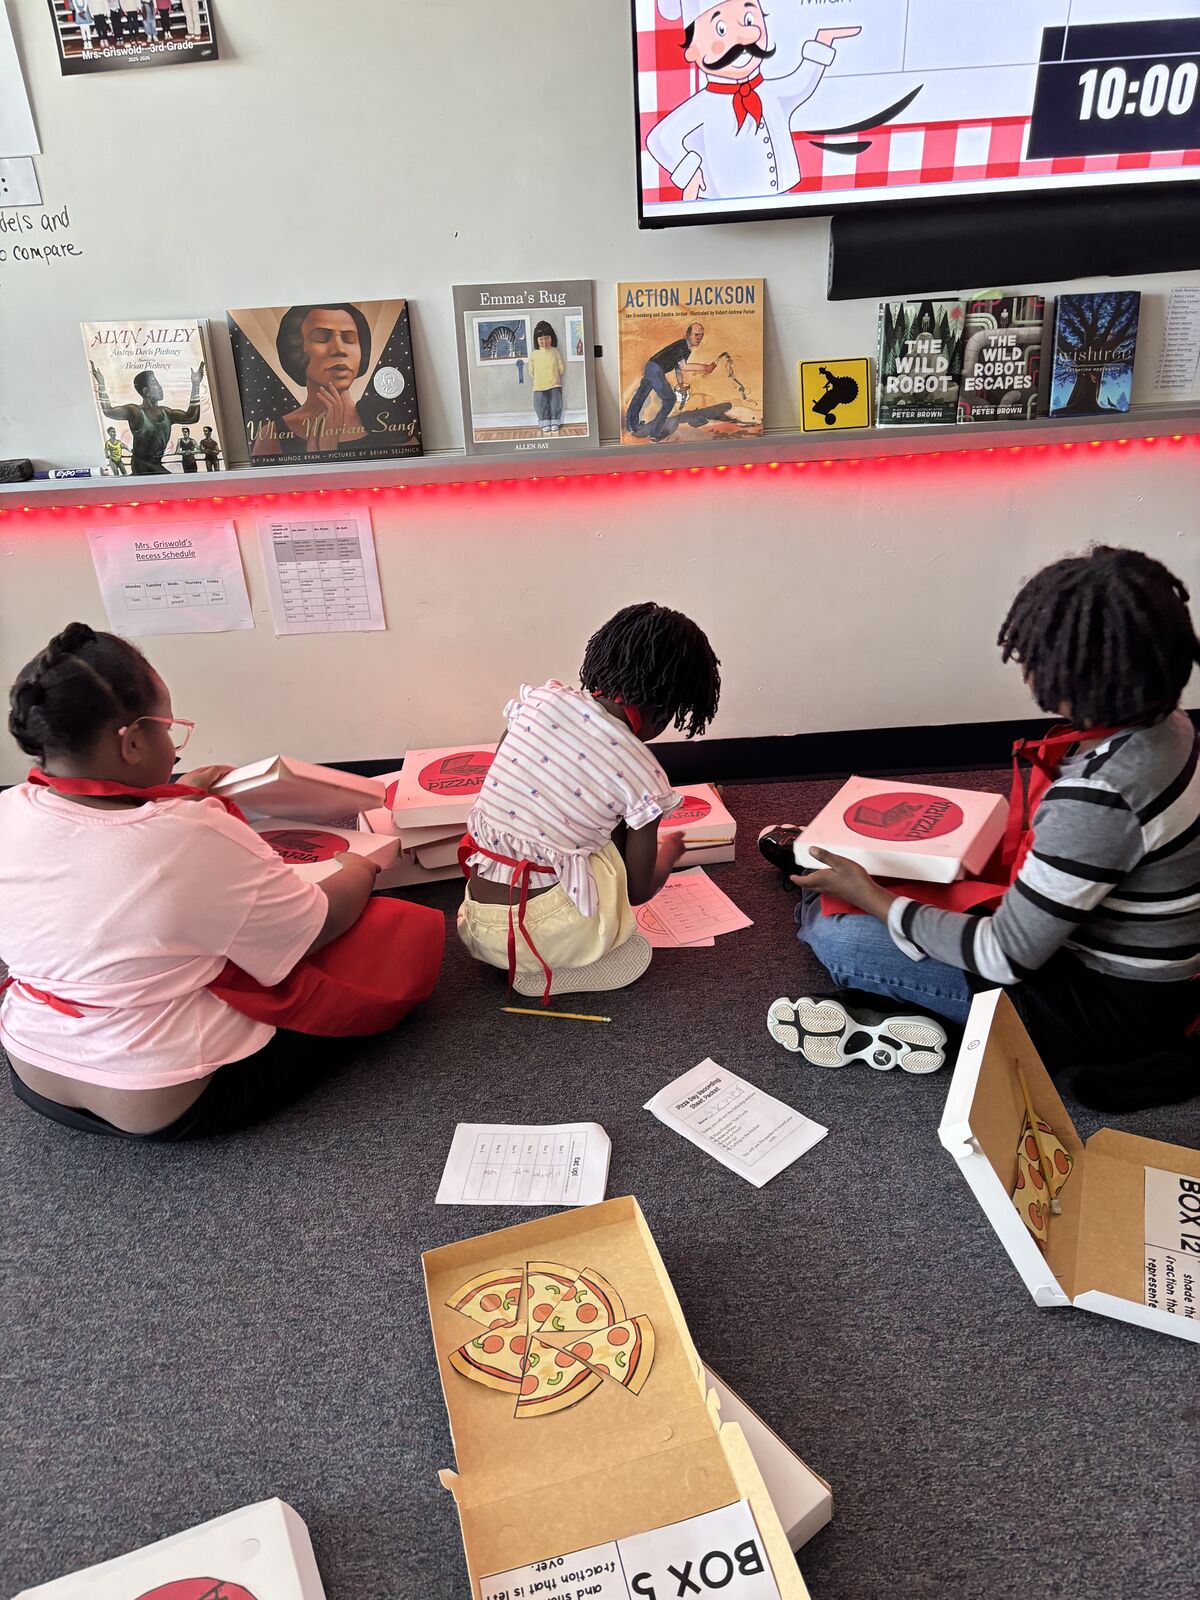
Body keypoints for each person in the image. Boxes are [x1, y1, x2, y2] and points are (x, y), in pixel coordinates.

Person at [763, 547, 1200, 1112]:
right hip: (1132, 967)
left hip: (1102, 1007)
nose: (1026, 668)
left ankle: (906, 994)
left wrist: (869, 895)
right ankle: (918, 1010)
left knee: (837, 934)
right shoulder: (1172, 726)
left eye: (1037, 655)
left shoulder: (1098, 797)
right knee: (927, 882)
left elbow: (1005, 957)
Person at [0, 624, 443, 1141]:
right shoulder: (191, 832)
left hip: (34, 1069)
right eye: (168, 728)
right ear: (135, 740)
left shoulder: (9, 809)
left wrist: (170, 794)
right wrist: (362, 868)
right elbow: (319, 923)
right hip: (173, 1097)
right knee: (398, 929)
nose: (174, 742)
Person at [458, 602, 721, 1001]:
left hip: (476, 924)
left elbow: (507, 783)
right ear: (667, 710)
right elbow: (638, 891)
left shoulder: (539, 702)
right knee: (610, 856)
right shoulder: (642, 775)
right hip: (545, 934)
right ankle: (557, 961)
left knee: (583, 831)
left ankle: (529, 957)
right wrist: (670, 851)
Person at [646, 2, 860, 202]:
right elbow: (659, 140)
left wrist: (823, 41)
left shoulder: (768, 92)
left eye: (749, 20)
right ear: (692, 51)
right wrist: (690, 171)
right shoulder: (704, 105)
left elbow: (800, 84)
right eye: (721, 29)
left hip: (784, 200)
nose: (746, 37)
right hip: (722, 207)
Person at [250, 304, 373, 459]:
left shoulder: (385, 423)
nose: (339, 349)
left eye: (349, 339)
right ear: (295, 348)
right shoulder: (271, 434)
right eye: (321, 337)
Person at [90, 360, 203, 475]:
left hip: (156, 465)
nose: (160, 386)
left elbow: (192, 417)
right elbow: (108, 411)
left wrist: (196, 385)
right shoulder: (135, 412)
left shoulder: (166, 412)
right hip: (142, 467)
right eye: (155, 383)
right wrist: (101, 384)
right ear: (146, 391)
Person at [625, 322, 715, 441]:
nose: (699, 338)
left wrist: (681, 385)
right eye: (696, 334)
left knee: (640, 395)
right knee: (669, 399)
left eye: (701, 335)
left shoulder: (685, 348)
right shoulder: (683, 346)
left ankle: (632, 426)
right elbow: (683, 366)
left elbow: (678, 368)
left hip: (651, 366)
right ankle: (655, 433)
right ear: (688, 335)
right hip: (656, 370)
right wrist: (706, 367)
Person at [527, 320, 566, 437]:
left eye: (547, 338)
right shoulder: (534, 354)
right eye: (541, 339)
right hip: (539, 385)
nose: (544, 341)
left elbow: (561, 366)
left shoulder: (555, 351)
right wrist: (536, 376)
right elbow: (531, 369)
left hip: (555, 383)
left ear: (552, 338)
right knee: (540, 404)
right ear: (537, 340)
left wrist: (559, 372)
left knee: (556, 403)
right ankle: (544, 421)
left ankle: (555, 421)